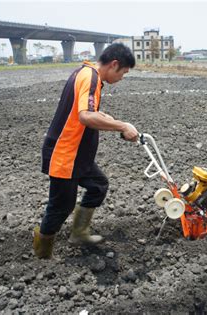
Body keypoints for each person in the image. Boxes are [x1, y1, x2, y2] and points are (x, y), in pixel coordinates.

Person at [33, 43, 138, 259]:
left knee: (98, 185)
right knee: (60, 206)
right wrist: (122, 126)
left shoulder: (87, 73)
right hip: (66, 153)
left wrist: (107, 117)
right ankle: (41, 255)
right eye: (123, 73)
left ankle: (79, 233)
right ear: (114, 64)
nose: (122, 78)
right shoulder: (90, 78)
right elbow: (85, 116)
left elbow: (86, 111)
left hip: (78, 154)